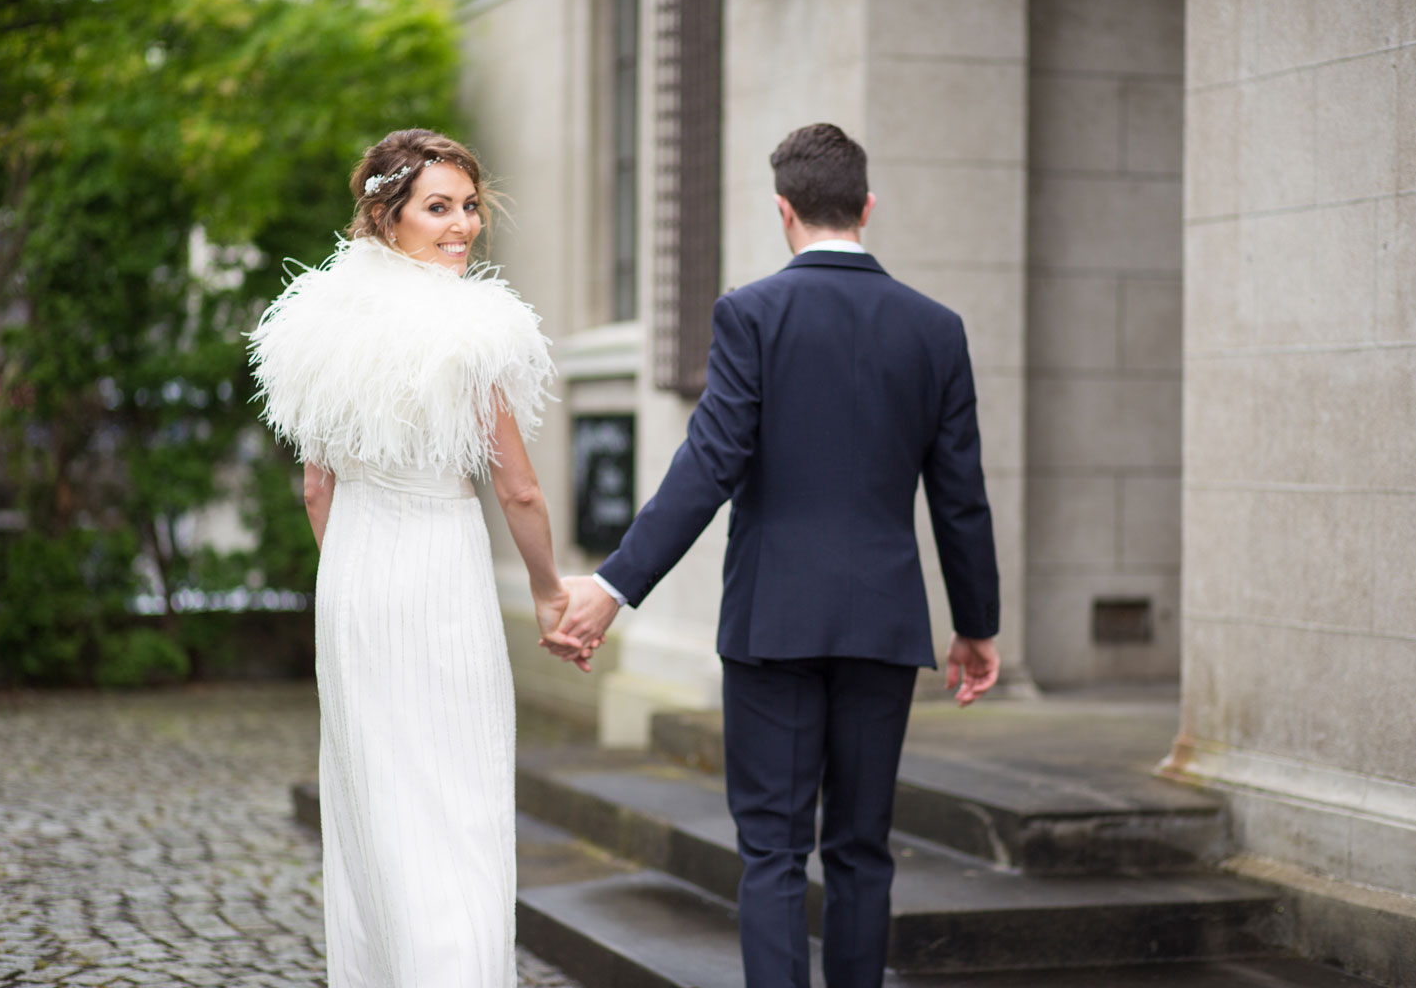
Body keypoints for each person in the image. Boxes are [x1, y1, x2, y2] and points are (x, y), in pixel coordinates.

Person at [550, 123, 1002, 988]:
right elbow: (961, 494)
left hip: (773, 622)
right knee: (864, 849)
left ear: (782, 211)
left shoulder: (751, 313)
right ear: (867, 208)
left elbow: (708, 465)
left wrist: (614, 587)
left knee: (771, 852)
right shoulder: (936, 329)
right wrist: (976, 624)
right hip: (882, 622)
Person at [249, 127, 583, 987]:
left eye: (470, 207)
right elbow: (519, 492)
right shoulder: (471, 331)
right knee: (454, 802)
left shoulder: (320, 324)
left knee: (378, 802)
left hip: (354, 580)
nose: (463, 226)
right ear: (386, 216)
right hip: (440, 573)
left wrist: (353, 570)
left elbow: (316, 488)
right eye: (439, 208)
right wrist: (551, 593)